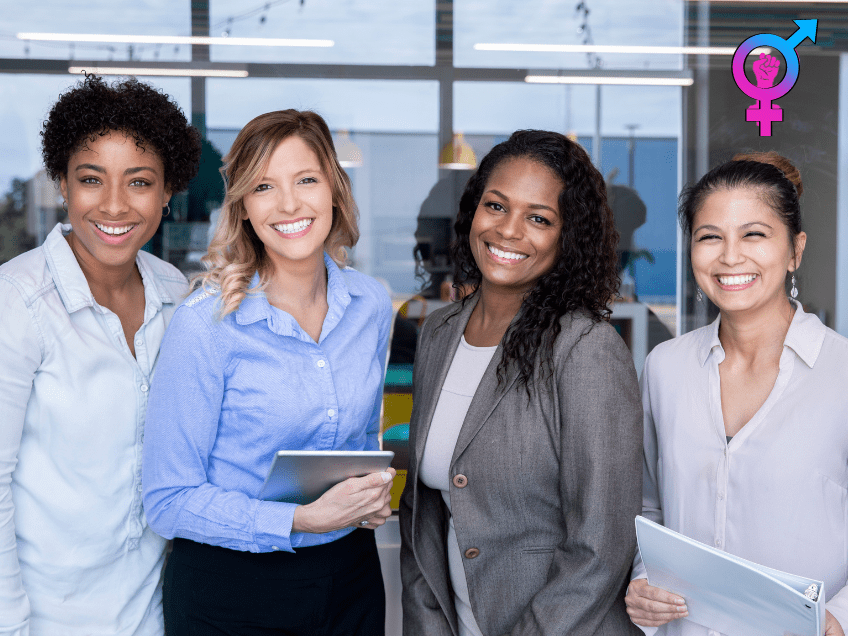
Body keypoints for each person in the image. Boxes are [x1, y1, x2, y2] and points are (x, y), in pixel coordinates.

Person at [142, 109, 395, 635]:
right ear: (245, 208)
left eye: (306, 179)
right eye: (263, 187)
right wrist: (299, 521)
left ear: (334, 188)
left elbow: (359, 442)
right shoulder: (207, 323)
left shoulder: (370, 303)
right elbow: (168, 501)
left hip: (350, 576)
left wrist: (367, 495)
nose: (288, 204)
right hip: (231, 590)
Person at [400, 130, 644, 636]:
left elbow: (601, 545)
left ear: (567, 235)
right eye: (496, 206)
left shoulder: (585, 349)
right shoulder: (441, 332)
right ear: (473, 212)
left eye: (539, 218)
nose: (509, 231)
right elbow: (421, 517)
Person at [0, 74, 201, 634]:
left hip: (157, 612)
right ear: (63, 185)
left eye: (139, 182)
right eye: (91, 179)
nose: (114, 205)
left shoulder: (177, 296)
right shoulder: (17, 303)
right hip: (45, 619)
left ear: (166, 192)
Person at [626, 152, 848, 636]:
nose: (730, 257)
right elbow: (649, 509)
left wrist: (840, 617)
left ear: (795, 250)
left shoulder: (843, 374)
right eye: (710, 237)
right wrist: (644, 581)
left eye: (754, 234)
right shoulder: (665, 368)